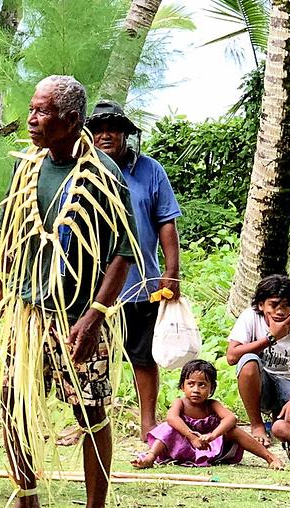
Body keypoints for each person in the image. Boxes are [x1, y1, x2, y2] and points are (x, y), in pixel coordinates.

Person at [0, 76, 139, 508]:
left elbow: (123, 252)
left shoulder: (103, 174)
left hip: (79, 316)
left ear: (70, 120)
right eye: (32, 110)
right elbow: (11, 232)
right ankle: (26, 501)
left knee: (91, 412)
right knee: (13, 404)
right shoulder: (27, 168)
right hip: (29, 313)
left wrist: (94, 315)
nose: (31, 120)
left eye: (41, 112)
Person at [88, 100, 182, 441]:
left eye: (112, 129)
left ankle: (147, 424)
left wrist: (172, 271)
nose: (105, 135)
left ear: (125, 134)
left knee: (143, 357)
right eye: (98, 130)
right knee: (93, 357)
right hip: (94, 287)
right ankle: (91, 423)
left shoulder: (150, 170)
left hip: (140, 283)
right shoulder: (84, 170)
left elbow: (166, 222)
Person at [132, 359, 284, 470]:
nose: (196, 390)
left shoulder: (212, 405)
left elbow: (231, 418)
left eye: (202, 385)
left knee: (233, 430)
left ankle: (270, 457)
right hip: (181, 445)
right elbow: (171, 418)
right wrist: (191, 436)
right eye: (191, 384)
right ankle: (150, 456)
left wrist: (213, 435)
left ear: (211, 389)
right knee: (168, 428)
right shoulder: (180, 403)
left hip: (210, 447)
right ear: (182, 386)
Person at [226, 274, 290, 447]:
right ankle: (257, 425)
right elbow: (231, 357)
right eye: (273, 305)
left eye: (286, 306)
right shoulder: (251, 317)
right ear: (261, 305)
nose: (280, 312)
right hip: (260, 384)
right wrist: (271, 338)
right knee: (249, 360)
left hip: (288, 383)